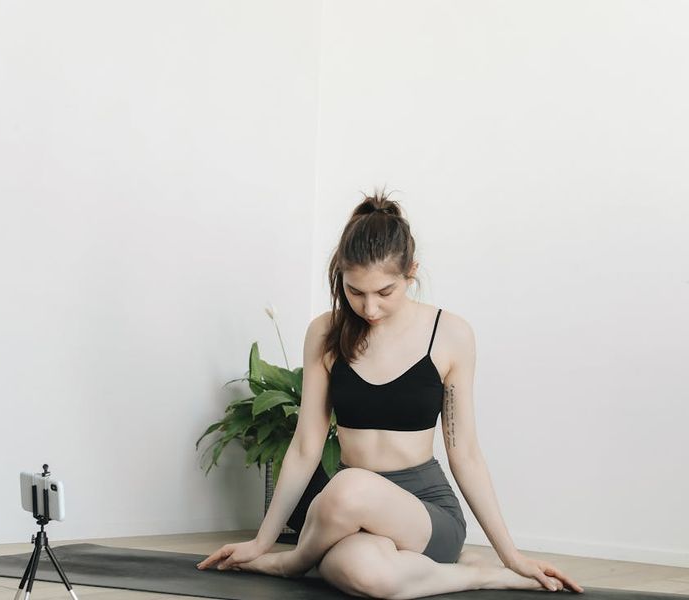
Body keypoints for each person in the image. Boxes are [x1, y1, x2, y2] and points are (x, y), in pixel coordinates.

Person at [197, 189, 584, 599]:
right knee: (367, 574)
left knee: (349, 487)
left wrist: (512, 556)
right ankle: (473, 574)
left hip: (423, 513)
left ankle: (291, 562)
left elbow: (465, 453)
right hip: (347, 517)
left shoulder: (450, 335)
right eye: (354, 292)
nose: (369, 308)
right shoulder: (325, 334)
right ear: (341, 276)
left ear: (410, 273)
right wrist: (260, 540)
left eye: (385, 293)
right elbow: (306, 447)